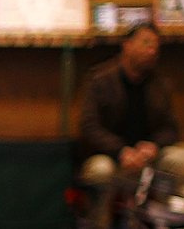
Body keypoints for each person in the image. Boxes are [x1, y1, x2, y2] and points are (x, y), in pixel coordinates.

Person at [77, 23, 184, 228]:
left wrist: (152, 146)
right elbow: (89, 127)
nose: (152, 51)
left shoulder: (160, 84)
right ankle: (100, 223)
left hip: (149, 157)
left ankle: (171, 219)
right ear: (127, 45)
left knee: (180, 159)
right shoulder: (100, 79)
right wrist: (121, 151)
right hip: (111, 156)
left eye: (155, 47)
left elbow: (171, 129)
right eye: (146, 43)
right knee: (100, 170)